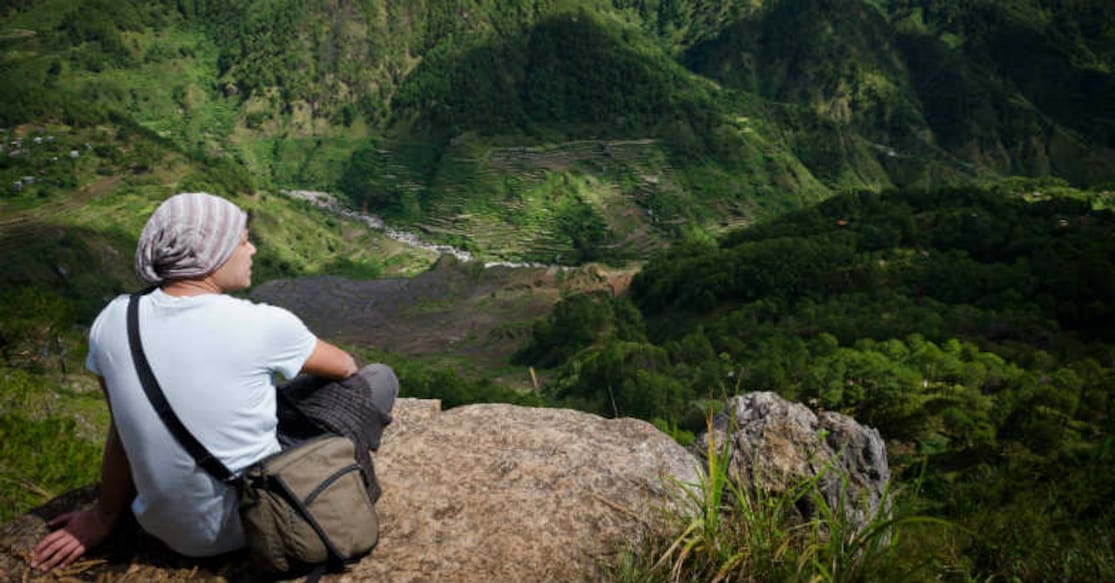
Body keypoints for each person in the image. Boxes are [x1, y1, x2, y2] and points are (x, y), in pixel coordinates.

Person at [31, 192, 397, 572]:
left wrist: (103, 516)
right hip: (259, 524)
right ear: (212, 255)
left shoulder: (112, 320)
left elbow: (122, 431)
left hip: (162, 528)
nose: (252, 250)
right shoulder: (261, 323)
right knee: (377, 378)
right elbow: (345, 367)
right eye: (242, 241)